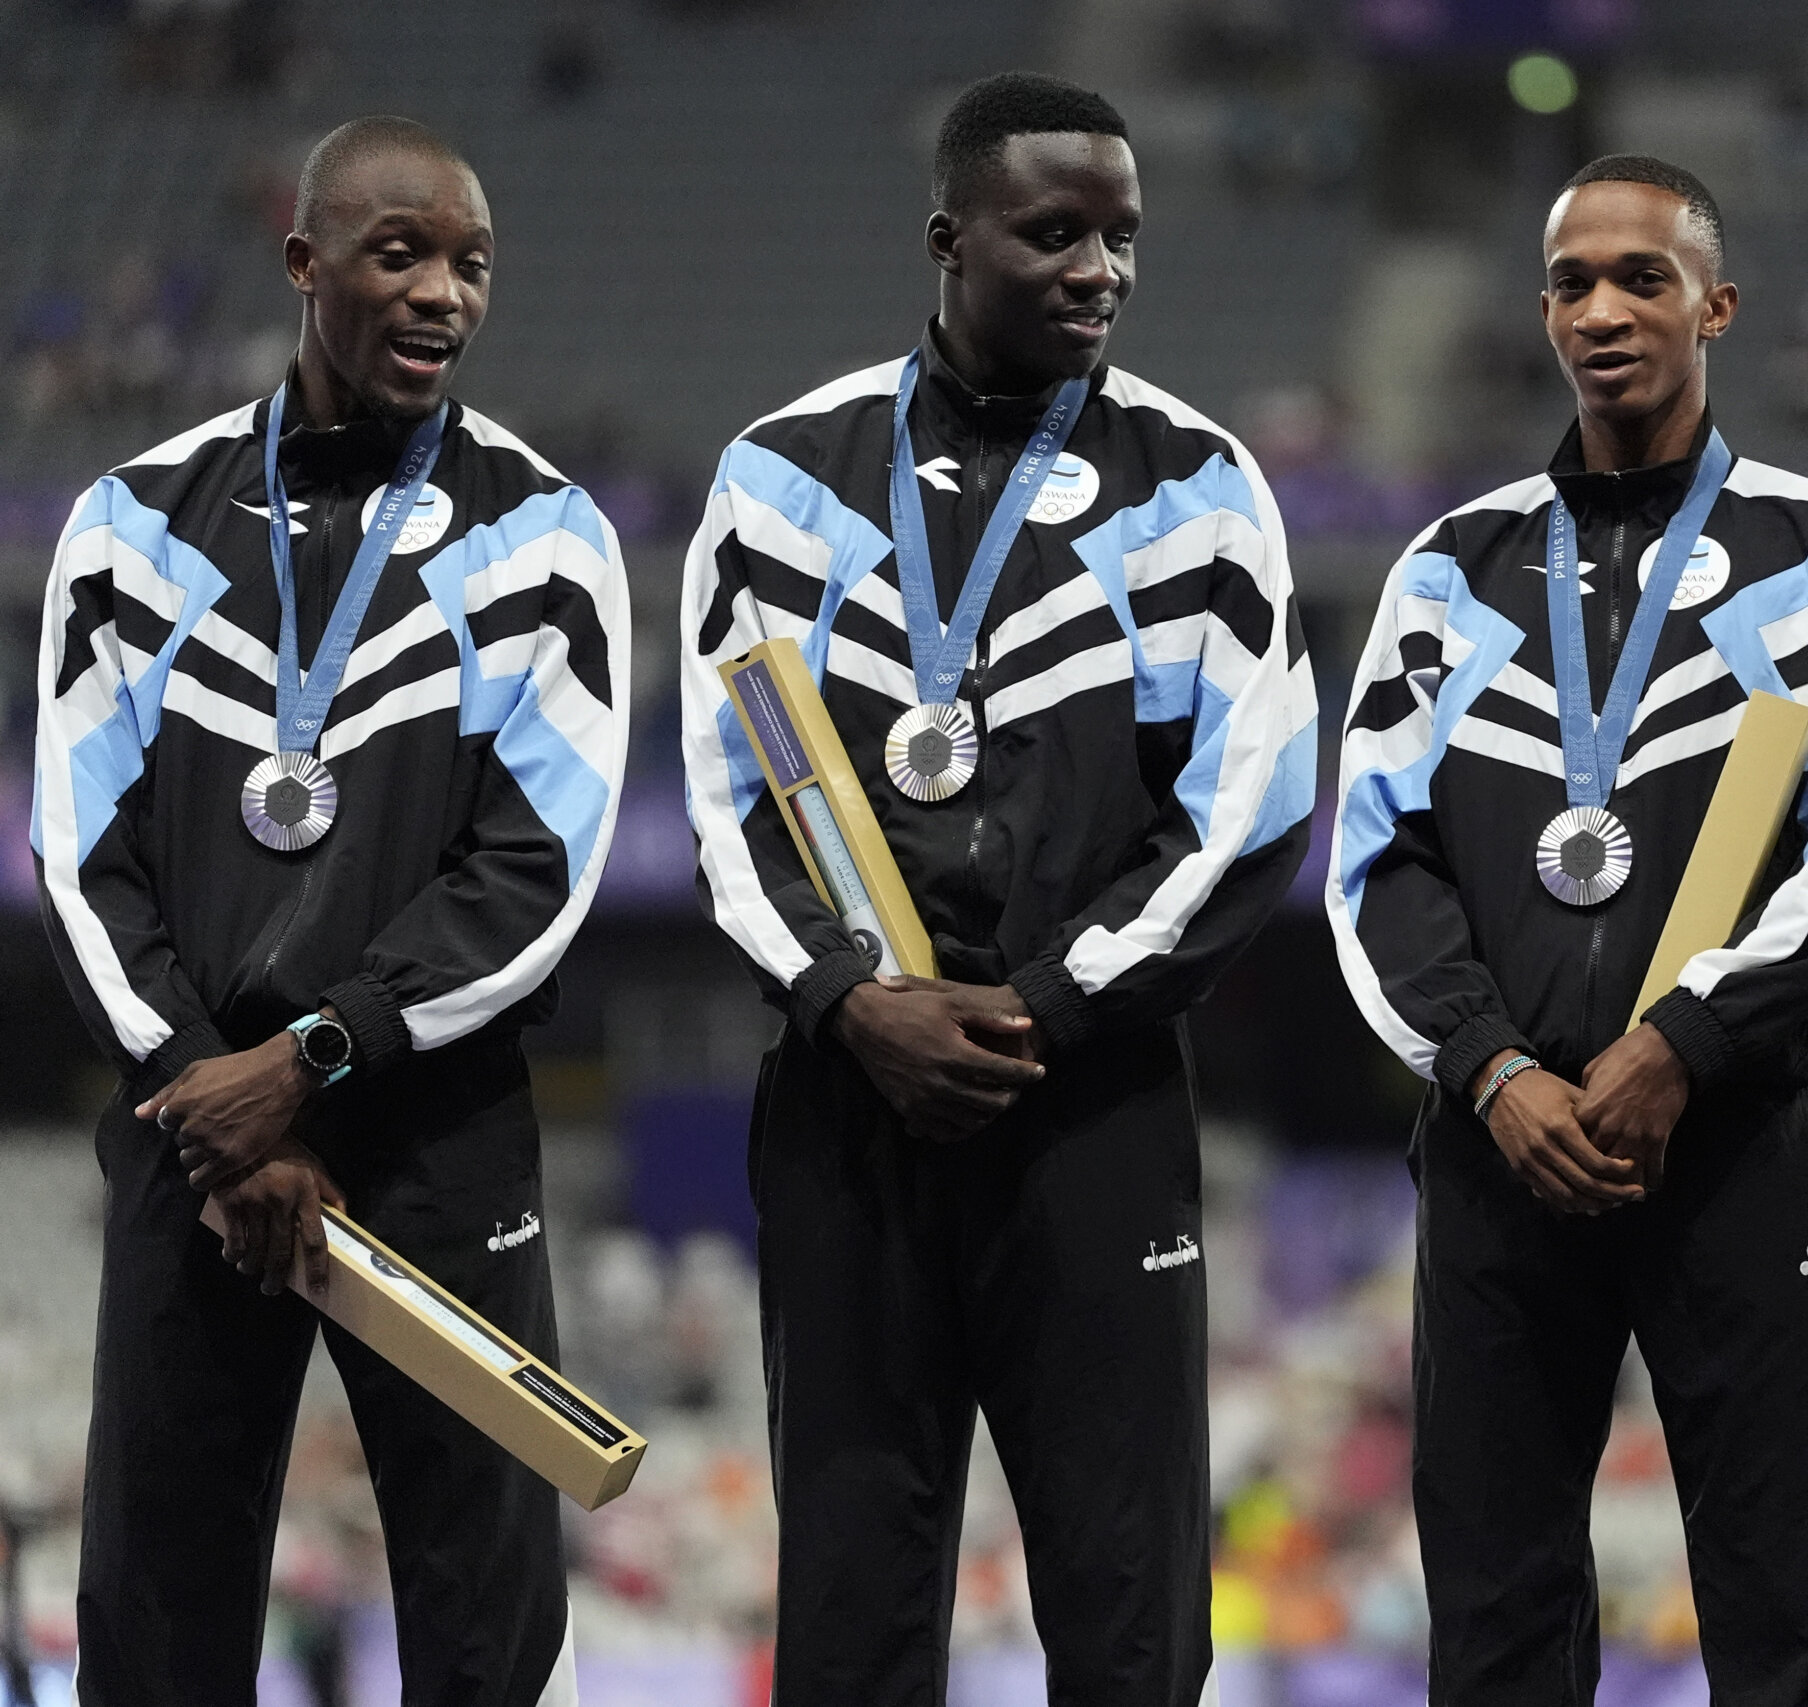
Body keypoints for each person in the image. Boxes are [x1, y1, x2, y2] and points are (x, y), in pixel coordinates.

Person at [678, 71, 1313, 1705]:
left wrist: (1042, 1007)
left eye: (1121, 236)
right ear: (949, 240)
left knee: (1128, 1604)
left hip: (1087, 1111)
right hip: (847, 1109)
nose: (1100, 268)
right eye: (1056, 233)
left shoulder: (1200, 483)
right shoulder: (782, 480)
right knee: (850, 1600)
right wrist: (850, 1000)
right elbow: (730, 795)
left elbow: (1248, 816)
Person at [31, 116, 628, 1704]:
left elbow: (534, 873)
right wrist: (203, 1095)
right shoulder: (133, 524)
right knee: (155, 1611)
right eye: (400, 254)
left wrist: (301, 1066)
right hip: (190, 1135)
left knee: (487, 1619)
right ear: (304, 265)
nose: (444, 294)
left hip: (431, 1138)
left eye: (472, 265)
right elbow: (83, 857)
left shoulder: (547, 536)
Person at [1326, 155, 1808, 1707]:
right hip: (1501, 1151)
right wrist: (1495, 1072)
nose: (1602, 309)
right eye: (1571, 282)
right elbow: (1376, 855)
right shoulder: (1455, 567)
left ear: (1716, 304)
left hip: (1733, 1140)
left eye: (1642, 277)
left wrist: (1683, 1045)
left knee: (1791, 1611)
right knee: (1498, 1619)